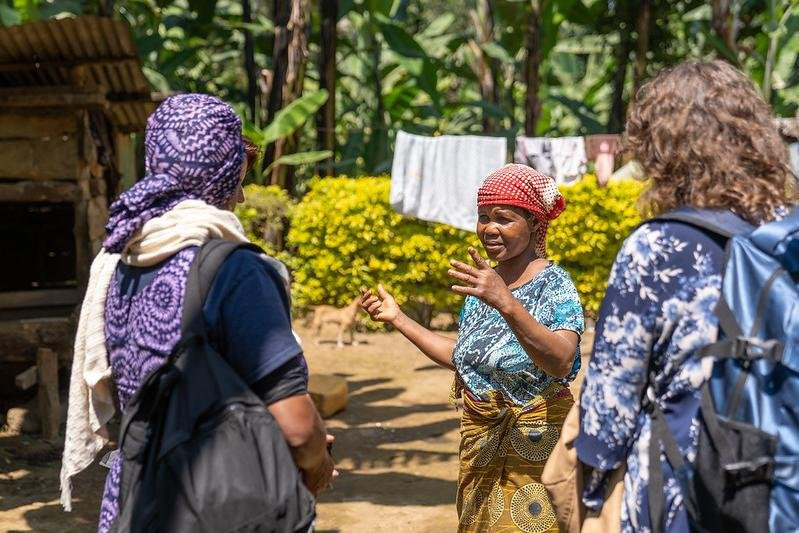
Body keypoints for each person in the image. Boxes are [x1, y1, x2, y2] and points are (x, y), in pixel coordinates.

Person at [60, 94, 335, 533]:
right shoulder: (236, 269)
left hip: (139, 496)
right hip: (223, 503)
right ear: (224, 170)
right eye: (238, 174)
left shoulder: (119, 261)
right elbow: (297, 428)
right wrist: (317, 462)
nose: (242, 194)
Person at [575, 60, 794, 532]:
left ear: (662, 150)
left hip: (682, 489)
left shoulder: (656, 248)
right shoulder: (790, 233)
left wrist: (592, 496)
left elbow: (610, 405)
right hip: (782, 481)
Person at [361, 163, 584, 532]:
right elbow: (464, 358)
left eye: (503, 218)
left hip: (536, 453)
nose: (489, 228)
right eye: (483, 217)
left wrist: (506, 302)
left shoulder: (553, 285)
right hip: (479, 448)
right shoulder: (483, 286)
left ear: (533, 223)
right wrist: (399, 319)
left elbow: (562, 361)